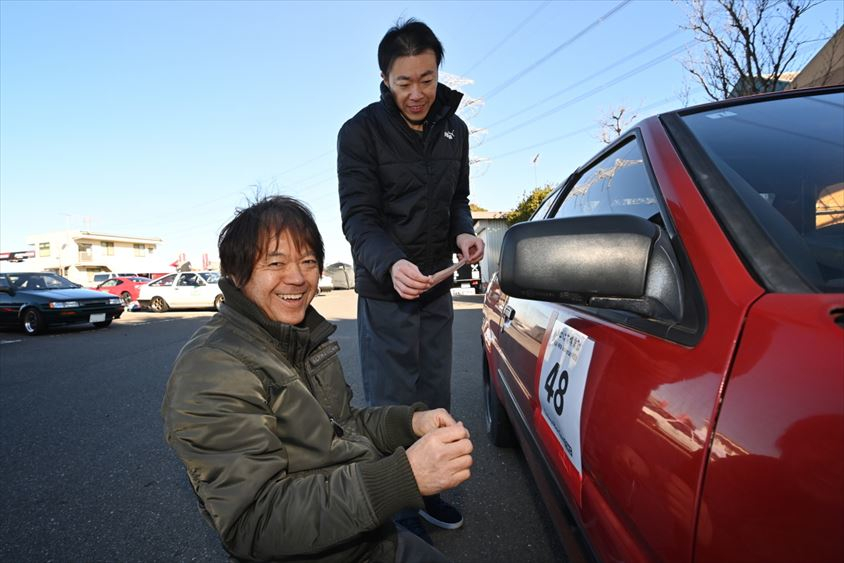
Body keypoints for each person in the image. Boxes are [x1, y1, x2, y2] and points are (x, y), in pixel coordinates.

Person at [161, 196, 473, 563]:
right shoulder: (212, 367)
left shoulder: (296, 334)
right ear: (235, 273)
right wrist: (403, 477)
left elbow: (343, 426)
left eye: (308, 261)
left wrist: (409, 423)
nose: (297, 277)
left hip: (367, 534)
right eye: (275, 263)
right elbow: (253, 523)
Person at [337, 19, 484, 541]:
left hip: (438, 288)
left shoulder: (454, 128)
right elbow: (359, 218)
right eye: (405, 82)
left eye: (427, 78)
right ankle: (396, 511)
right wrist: (390, 263)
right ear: (384, 78)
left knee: (434, 395)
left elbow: (457, 200)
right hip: (387, 291)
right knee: (393, 403)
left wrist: (465, 235)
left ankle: (428, 492)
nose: (418, 93)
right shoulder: (359, 132)